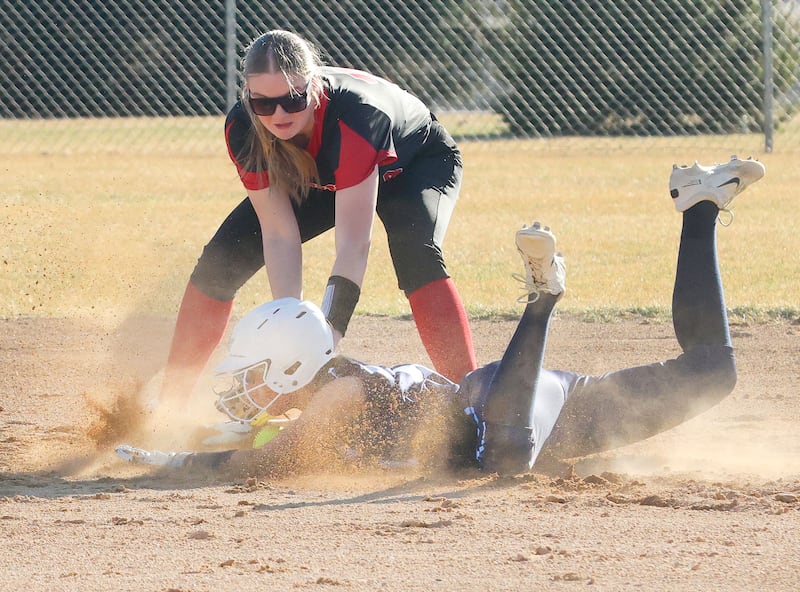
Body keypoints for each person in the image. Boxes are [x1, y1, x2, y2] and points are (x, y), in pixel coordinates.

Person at [118, 156, 766, 478]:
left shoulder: (334, 399)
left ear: (295, 369)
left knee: (505, 459)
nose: (250, 385)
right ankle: (700, 206)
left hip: (495, 410)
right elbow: (253, 438)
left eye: (261, 373)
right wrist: (176, 439)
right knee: (712, 373)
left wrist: (163, 459)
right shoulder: (319, 390)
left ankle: (543, 298)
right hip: (533, 405)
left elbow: (254, 464)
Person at [159, 29, 477, 414]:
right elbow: (278, 236)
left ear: (312, 88)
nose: (278, 114)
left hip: (413, 166)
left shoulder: (357, 117)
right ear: (248, 97)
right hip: (322, 172)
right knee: (221, 261)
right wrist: (288, 345)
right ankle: (169, 408)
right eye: (263, 103)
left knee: (416, 251)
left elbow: (353, 245)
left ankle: (470, 405)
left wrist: (323, 340)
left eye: (293, 100)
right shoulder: (243, 128)